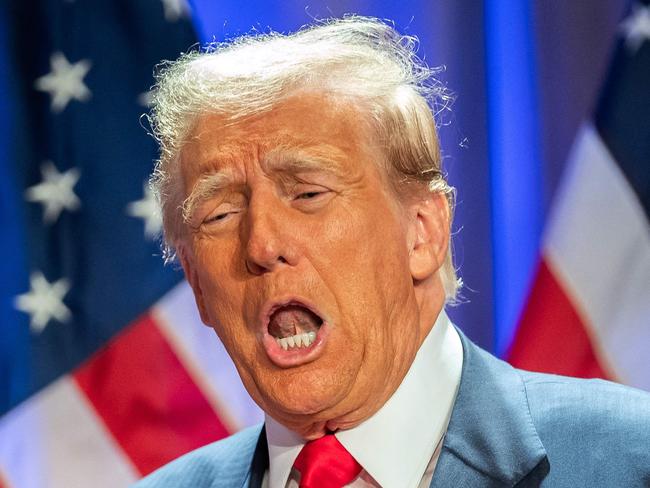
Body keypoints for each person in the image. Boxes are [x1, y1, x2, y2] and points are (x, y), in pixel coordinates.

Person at [135, 16, 650, 488]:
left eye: (308, 193)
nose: (263, 245)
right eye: (219, 215)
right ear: (197, 285)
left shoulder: (629, 460)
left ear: (422, 233)